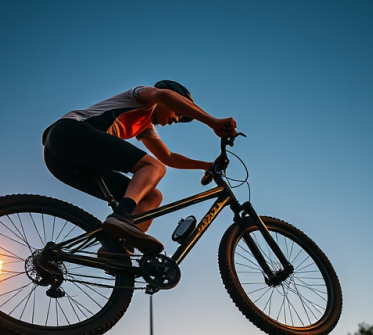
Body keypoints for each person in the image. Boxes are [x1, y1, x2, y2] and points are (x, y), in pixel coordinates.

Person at [42, 81, 237, 255]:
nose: (176, 119)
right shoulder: (142, 96)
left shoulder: (145, 127)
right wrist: (213, 122)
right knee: (153, 166)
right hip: (69, 133)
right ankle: (122, 215)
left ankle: (118, 248)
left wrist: (206, 166)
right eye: (177, 112)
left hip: (62, 163)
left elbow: (168, 157)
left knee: (152, 196)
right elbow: (164, 96)